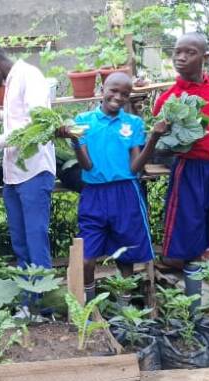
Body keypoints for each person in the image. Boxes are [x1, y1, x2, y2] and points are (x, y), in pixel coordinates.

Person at [136, 33, 209, 322]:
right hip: (191, 172)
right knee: (190, 242)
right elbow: (162, 142)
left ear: (205, 57)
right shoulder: (168, 100)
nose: (181, 58)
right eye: (177, 52)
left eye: (189, 52)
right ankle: (196, 317)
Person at [57, 72, 156, 301]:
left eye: (125, 94)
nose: (118, 97)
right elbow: (87, 165)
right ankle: (89, 306)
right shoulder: (83, 120)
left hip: (126, 193)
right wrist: (74, 140)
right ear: (102, 90)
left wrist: (154, 139)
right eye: (113, 90)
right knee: (86, 258)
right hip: (94, 194)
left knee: (126, 256)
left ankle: (124, 307)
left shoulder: (133, 123)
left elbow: (135, 168)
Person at [0, 41, 54, 314]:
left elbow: (36, 122)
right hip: (15, 175)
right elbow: (19, 116)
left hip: (34, 172)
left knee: (35, 240)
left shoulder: (30, 76)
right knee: (20, 242)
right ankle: (27, 302)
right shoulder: (12, 81)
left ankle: (42, 306)